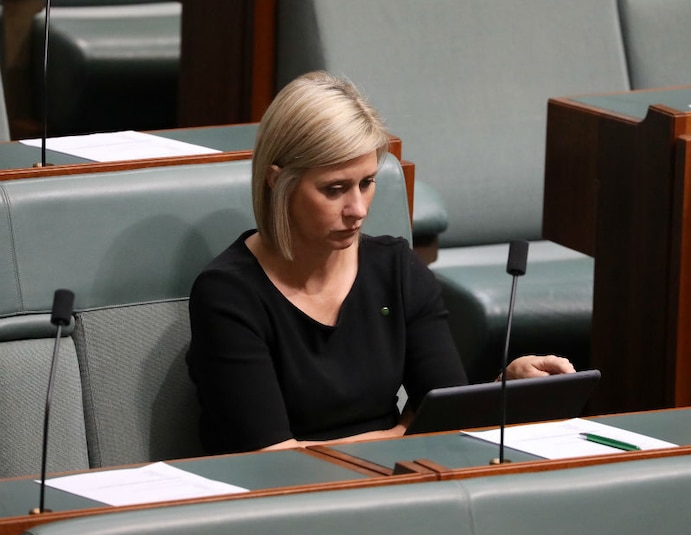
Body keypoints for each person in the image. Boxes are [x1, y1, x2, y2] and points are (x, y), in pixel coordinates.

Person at [186, 71, 574, 455]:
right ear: (277, 181)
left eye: (367, 183)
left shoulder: (395, 268)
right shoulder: (228, 294)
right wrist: (401, 433)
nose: (357, 210)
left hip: (395, 483)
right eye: (334, 189)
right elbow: (273, 458)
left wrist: (501, 386)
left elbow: (444, 417)